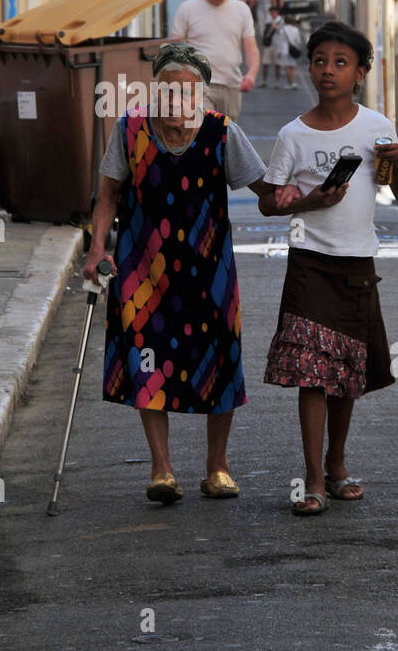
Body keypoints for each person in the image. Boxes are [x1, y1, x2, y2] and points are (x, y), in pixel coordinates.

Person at [84, 43, 274, 504]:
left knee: (219, 359)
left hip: (209, 270)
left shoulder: (222, 133)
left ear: (203, 96)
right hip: (142, 268)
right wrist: (95, 250)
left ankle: (218, 467)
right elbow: (108, 195)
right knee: (146, 360)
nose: (177, 99)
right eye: (167, 89)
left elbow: (267, 193)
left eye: (188, 91)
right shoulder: (130, 129)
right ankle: (162, 468)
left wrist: (309, 197)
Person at [258, 20, 398, 515]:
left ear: (360, 72)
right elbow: (269, 202)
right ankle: (311, 478)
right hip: (309, 265)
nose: (328, 70)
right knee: (311, 373)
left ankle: (337, 462)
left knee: (346, 372)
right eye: (320, 60)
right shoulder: (292, 135)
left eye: (341, 62)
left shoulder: (376, 128)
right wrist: (309, 201)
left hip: (356, 266)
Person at [169, 0, 260, 121]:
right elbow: (174, 47)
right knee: (203, 132)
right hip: (199, 84)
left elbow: (251, 49)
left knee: (227, 137)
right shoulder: (187, 8)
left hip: (232, 84)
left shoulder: (241, 10)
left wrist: (251, 75)